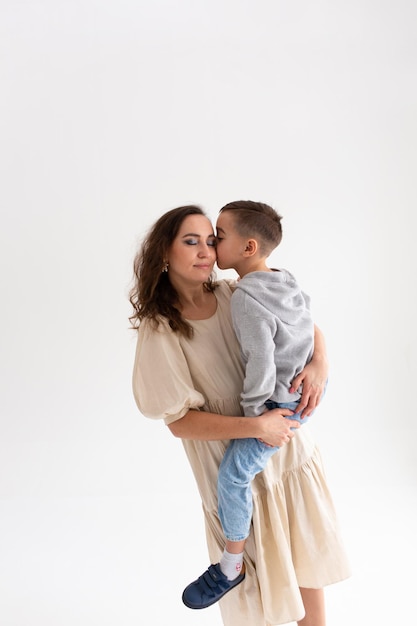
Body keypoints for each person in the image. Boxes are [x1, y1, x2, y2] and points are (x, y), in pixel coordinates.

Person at [130, 205, 350, 626]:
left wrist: (319, 363)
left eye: (211, 241)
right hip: (236, 481)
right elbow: (180, 423)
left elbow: (304, 325)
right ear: (164, 253)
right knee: (253, 607)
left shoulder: (237, 293)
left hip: (287, 460)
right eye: (190, 241)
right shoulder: (161, 329)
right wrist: (255, 426)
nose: (205, 252)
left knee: (310, 596)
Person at [182, 200, 324, 610]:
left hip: (278, 403)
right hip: (305, 392)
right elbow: (306, 320)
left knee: (232, 478)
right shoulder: (284, 278)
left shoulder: (245, 297)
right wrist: (319, 364)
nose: (211, 243)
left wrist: (254, 416)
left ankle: (230, 565)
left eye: (218, 237)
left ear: (247, 248)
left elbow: (261, 360)